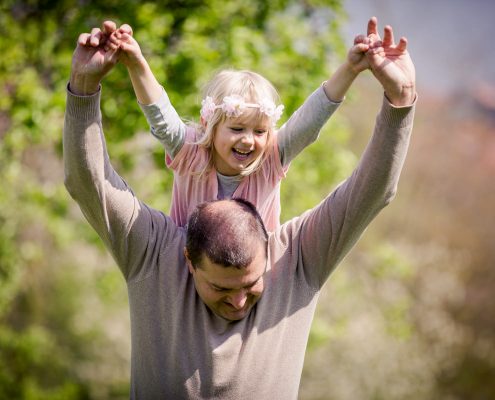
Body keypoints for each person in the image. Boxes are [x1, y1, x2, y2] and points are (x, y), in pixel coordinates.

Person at [64, 17, 416, 399]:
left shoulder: (294, 258)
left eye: (251, 284)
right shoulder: (157, 250)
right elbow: (146, 127)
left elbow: (315, 130)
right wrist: (107, 75)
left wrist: (384, 88)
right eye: (219, 285)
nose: (237, 300)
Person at [99, 22, 374, 231]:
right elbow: (161, 116)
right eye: (237, 129)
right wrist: (136, 63)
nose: (248, 141)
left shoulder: (270, 160)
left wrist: (350, 69)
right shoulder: (190, 152)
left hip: (249, 281)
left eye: (259, 131)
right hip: (188, 274)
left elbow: (310, 121)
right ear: (211, 125)